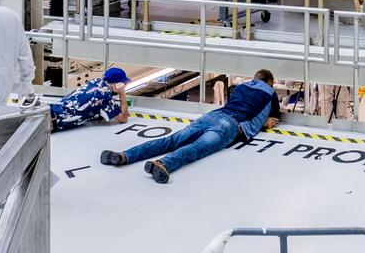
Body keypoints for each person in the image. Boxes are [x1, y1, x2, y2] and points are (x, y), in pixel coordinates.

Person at [100, 69, 281, 183]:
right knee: (198, 148)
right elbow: (272, 118)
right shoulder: (271, 93)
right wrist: (264, 123)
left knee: (171, 140)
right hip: (229, 125)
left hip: (212, 115)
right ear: (270, 82)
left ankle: (124, 155)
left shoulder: (241, 87)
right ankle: (163, 164)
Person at [49, 67, 131, 132]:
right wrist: (122, 93)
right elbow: (123, 118)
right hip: (51, 121)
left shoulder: (95, 81)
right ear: (116, 84)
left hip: (49, 110)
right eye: (123, 84)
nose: (124, 85)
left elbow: (93, 105)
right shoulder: (105, 97)